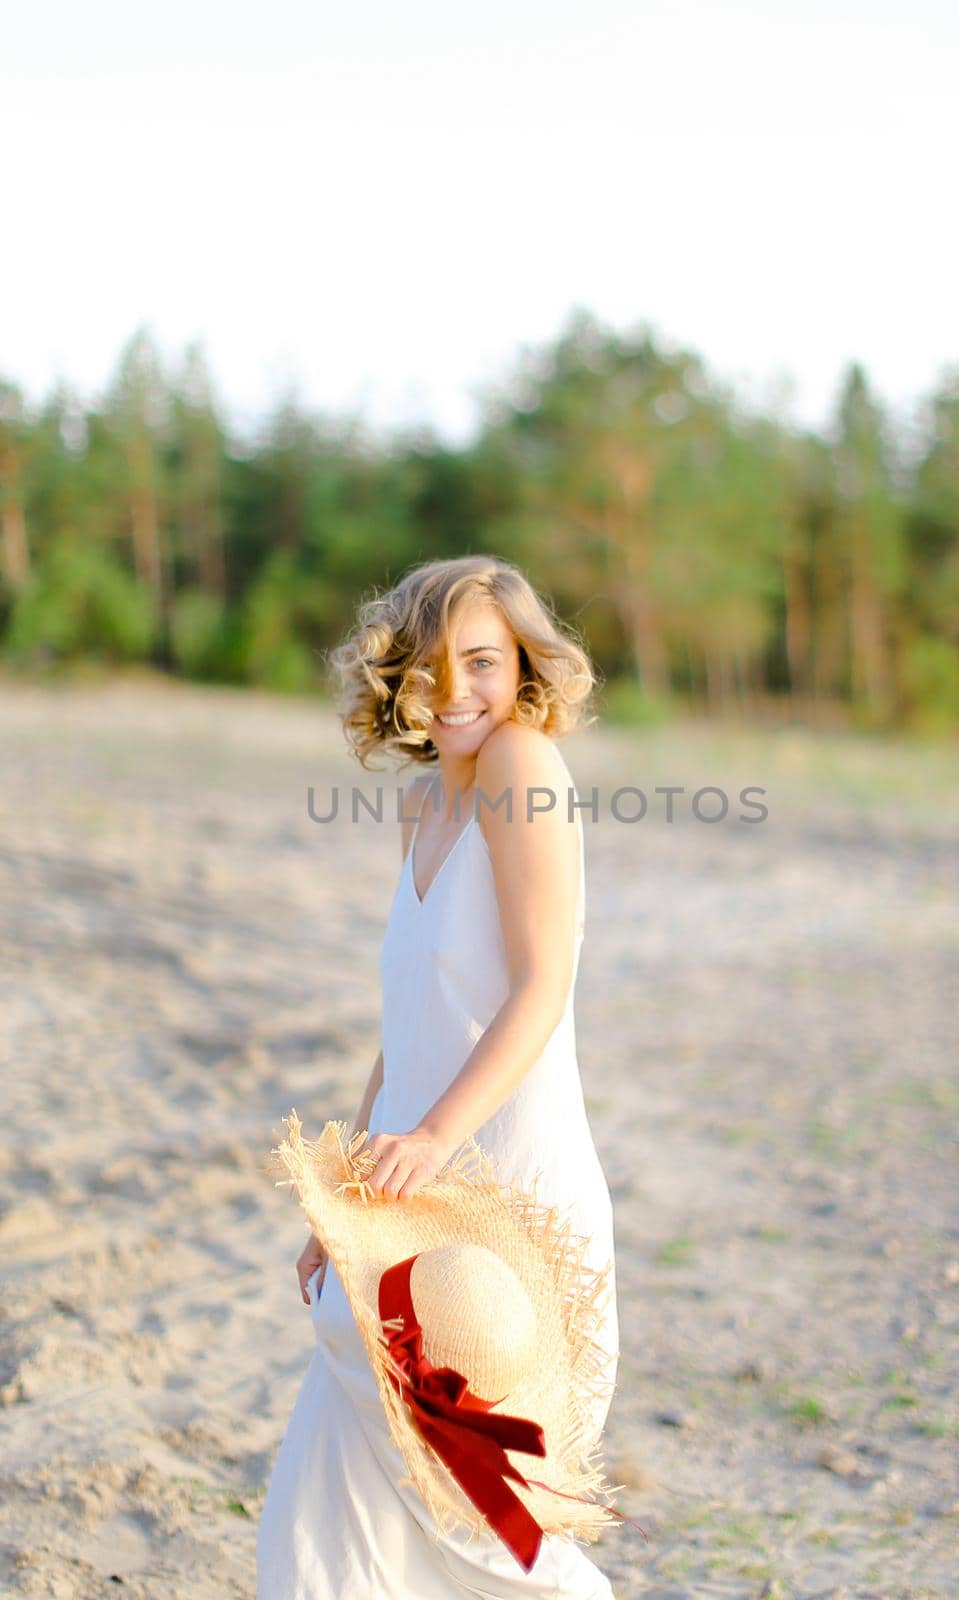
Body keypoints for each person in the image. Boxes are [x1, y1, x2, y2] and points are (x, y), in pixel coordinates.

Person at [256, 555, 620, 1599]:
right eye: (431, 664)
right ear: (397, 675)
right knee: (342, 1508)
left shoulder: (520, 763)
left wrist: (430, 1139)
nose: (456, 689)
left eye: (482, 662)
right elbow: (403, 1026)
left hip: (500, 1184)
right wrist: (345, 1199)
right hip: (411, 1193)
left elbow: (543, 984)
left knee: (483, 1518)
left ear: (521, 669)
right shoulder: (424, 803)